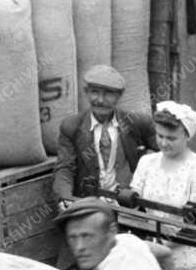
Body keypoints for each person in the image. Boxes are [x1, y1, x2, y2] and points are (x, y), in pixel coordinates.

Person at [130, 100, 196, 270]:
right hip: (151, 259)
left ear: (187, 135)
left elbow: (194, 228)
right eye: (160, 136)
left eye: (171, 138)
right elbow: (133, 204)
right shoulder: (147, 163)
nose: (163, 143)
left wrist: (157, 245)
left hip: (186, 265)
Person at [53, 65, 157, 211]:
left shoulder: (137, 122)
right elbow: (65, 168)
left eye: (109, 93)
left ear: (119, 96)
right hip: (90, 205)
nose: (100, 100)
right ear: (86, 92)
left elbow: (165, 152)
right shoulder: (71, 126)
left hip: (128, 205)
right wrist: (65, 198)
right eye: (94, 92)